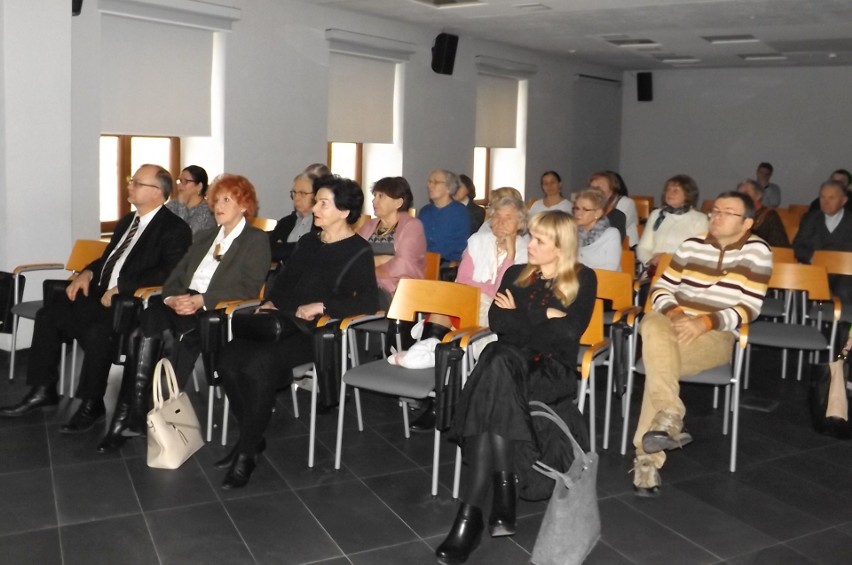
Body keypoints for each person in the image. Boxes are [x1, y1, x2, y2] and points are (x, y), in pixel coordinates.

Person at [436, 211, 596, 565]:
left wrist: (523, 314)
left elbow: (568, 336)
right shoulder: (515, 273)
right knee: (498, 358)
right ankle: (498, 494)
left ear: (560, 247)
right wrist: (546, 316)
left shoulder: (583, 279)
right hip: (510, 363)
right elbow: (498, 321)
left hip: (549, 370)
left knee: (495, 360)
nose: (530, 244)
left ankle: (475, 513)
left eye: (539, 240)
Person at [215, 175, 379, 489]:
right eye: (316, 200)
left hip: (313, 332)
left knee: (258, 364)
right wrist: (270, 303)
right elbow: (283, 282)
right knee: (228, 358)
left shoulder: (358, 250)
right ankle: (252, 436)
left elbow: (369, 301)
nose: (314, 207)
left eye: (323, 203)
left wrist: (323, 305)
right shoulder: (308, 242)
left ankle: (247, 452)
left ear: (344, 212)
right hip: (280, 322)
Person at [0, 165, 192, 429]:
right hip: (101, 295)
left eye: (137, 182)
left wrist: (123, 287)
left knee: (97, 332)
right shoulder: (128, 221)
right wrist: (86, 273)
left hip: (132, 303)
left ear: (158, 193)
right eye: (131, 180)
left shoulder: (174, 228)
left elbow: (170, 271)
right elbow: (108, 258)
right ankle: (43, 390)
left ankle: (92, 403)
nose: (130, 185)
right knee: (49, 315)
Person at [96, 174, 271, 452]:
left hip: (216, 312)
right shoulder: (203, 238)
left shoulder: (256, 240)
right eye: (217, 200)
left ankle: (158, 415)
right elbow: (174, 278)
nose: (219, 205)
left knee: (179, 336)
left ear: (244, 206)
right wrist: (171, 298)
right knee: (141, 331)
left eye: (228, 199)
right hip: (182, 302)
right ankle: (132, 415)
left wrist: (202, 300)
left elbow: (249, 288)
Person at [631, 191, 771, 497]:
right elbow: (661, 289)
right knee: (652, 321)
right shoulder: (692, 244)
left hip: (714, 335)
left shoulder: (757, 251)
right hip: (672, 325)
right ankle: (667, 421)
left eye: (727, 212)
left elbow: (750, 307)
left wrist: (704, 322)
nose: (716, 216)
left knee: (658, 363)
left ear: (746, 222)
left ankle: (648, 455)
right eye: (714, 210)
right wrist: (678, 313)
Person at [455, 195, 528, 327]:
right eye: (497, 216)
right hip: (466, 299)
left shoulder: (525, 253)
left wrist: (510, 256)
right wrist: (489, 289)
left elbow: (502, 293)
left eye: (508, 217)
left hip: (498, 312)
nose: (501, 222)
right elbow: (462, 281)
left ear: (520, 223)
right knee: (440, 312)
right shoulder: (477, 241)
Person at [358, 176, 426, 307]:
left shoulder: (413, 226)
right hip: (365, 285)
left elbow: (403, 264)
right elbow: (353, 259)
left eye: (381, 196)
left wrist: (367, 269)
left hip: (396, 288)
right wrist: (385, 259)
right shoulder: (368, 226)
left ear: (398, 203)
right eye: (374, 195)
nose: (374, 201)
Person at [636, 174, 709, 275]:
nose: (669, 193)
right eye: (668, 189)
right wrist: (651, 260)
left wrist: (667, 259)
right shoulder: (657, 214)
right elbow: (643, 247)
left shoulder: (700, 219)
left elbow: (699, 253)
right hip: (654, 271)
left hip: (683, 274)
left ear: (688, 194)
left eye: (675, 190)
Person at [793, 180, 852, 303]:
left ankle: (842, 321)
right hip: (814, 269)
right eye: (822, 197)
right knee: (800, 284)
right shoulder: (810, 218)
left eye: (831, 198)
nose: (825, 202)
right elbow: (797, 246)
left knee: (845, 289)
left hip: (844, 274)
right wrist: (812, 257)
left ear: (844, 200)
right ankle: (802, 320)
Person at [268, 163, 328, 266]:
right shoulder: (286, 222)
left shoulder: (323, 224)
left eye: (303, 193)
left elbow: (313, 251)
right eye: (294, 193)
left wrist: (284, 248)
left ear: (316, 195)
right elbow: (269, 250)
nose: (296, 198)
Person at [419, 169, 469, 265]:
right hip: (423, 262)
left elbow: (458, 246)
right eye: (429, 182)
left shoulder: (459, 212)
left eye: (435, 182)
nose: (430, 186)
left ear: (449, 188)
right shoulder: (424, 212)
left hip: (447, 265)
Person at [572, 188, 621, 271]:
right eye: (577, 208)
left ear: (598, 213)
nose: (578, 213)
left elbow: (611, 268)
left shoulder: (611, 234)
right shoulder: (571, 232)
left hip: (605, 281)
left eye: (585, 209)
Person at [737, 179, 789, 247]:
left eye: (746, 193)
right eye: (739, 194)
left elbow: (779, 247)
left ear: (758, 196)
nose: (741, 197)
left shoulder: (770, 216)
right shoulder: (734, 215)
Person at [166, 165, 216, 234]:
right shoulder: (173, 204)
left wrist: (182, 206)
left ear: (199, 186)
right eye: (179, 181)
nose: (180, 185)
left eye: (185, 181)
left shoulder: (206, 211)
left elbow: (186, 236)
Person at [589, 170, 635, 246]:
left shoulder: (617, 216)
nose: (594, 192)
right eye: (592, 188)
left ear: (611, 192)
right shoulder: (584, 211)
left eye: (599, 188)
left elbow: (609, 244)